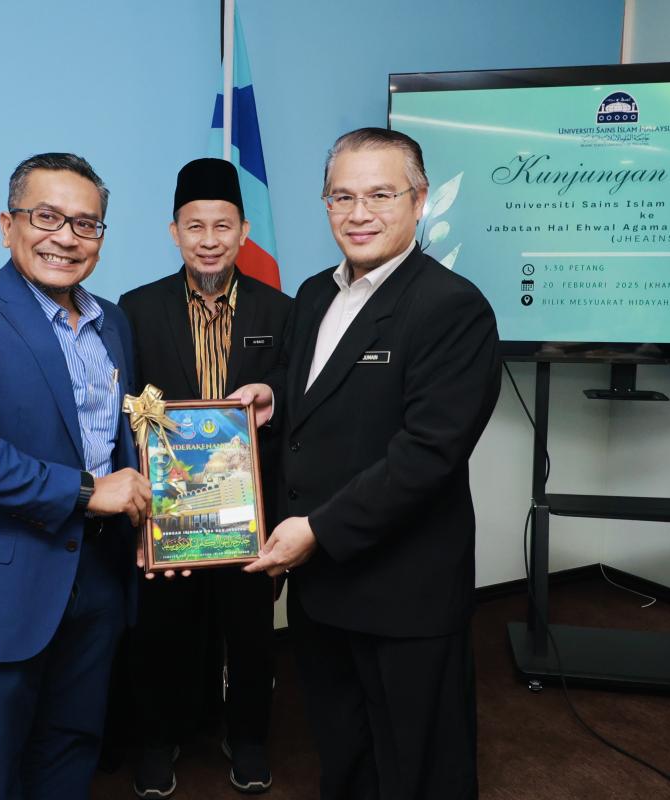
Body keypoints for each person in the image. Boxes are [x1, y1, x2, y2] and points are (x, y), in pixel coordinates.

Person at [234, 128, 501, 799]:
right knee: (343, 750)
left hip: (402, 589)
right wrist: (274, 395)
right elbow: (318, 398)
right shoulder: (313, 295)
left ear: (419, 200)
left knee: (419, 768)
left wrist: (316, 531)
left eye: (380, 195)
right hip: (322, 586)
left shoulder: (452, 307)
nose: (359, 213)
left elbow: (427, 454)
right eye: (342, 196)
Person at [0, 152, 152, 800]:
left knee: (72, 747)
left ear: (100, 238)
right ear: (7, 224)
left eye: (85, 224)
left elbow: (119, 439)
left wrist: (163, 521)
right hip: (3, 581)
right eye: (47, 217)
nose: (66, 237)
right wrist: (89, 492)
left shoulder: (112, 322)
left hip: (99, 575)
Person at [117, 158, 292, 798]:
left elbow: (298, 393)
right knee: (162, 631)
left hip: (251, 509)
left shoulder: (283, 309)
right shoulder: (136, 309)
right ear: (175, 232)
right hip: (169, 512)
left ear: (244, 231)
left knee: (251, 633)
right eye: (195, 227)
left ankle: (247, 738)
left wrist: (273, 392)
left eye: (223, 226)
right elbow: (120, 404)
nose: (209, 240)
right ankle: (157, 741)